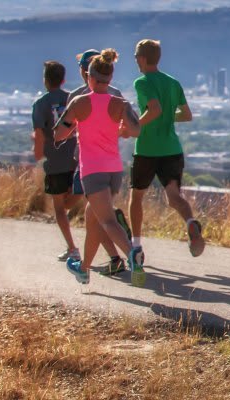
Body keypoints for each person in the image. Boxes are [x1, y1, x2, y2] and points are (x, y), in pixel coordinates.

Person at [53, 49, 145, 287]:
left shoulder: (79, 102)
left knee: (107, 221)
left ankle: (132, 255)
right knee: (92, 218)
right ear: (110, 78)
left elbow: (59, 133)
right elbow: (136, 130)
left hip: (92, 170)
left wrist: (77, 126)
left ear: (89, 77)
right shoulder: (120, 104)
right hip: (114, 170)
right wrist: (121, 127)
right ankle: (84, 269)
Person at [129, 39, 204, 260]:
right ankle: (190, 223)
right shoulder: (173, 82)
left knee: (136, 197)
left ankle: (136, 245)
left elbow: (155, 109)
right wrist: (168, 116)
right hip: (171, 149)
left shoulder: (142, 82)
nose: (135, 60)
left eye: (136, 57)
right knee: (173, 197)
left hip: (146, 149)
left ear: (143, 58)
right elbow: (186, 115)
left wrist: (135, 125)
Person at [68, 49, 131, 275]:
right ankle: (96, 264)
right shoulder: (116, 95)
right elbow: (126, 126)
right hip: (111, 163)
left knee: (98, 216)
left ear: (85, 71)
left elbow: (68, 129)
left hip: (89, 164)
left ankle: (119, 255)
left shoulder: (77, 97)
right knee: (94, 214)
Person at [32, 60, 81, 263]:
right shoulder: (73, 99)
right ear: (63, 79)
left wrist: (38, 154)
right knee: (80, 196)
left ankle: (72, 248)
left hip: (56, 162)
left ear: (45, 80)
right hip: (78, 159)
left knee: (59, 207)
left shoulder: (40, 104)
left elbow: (39, 134)